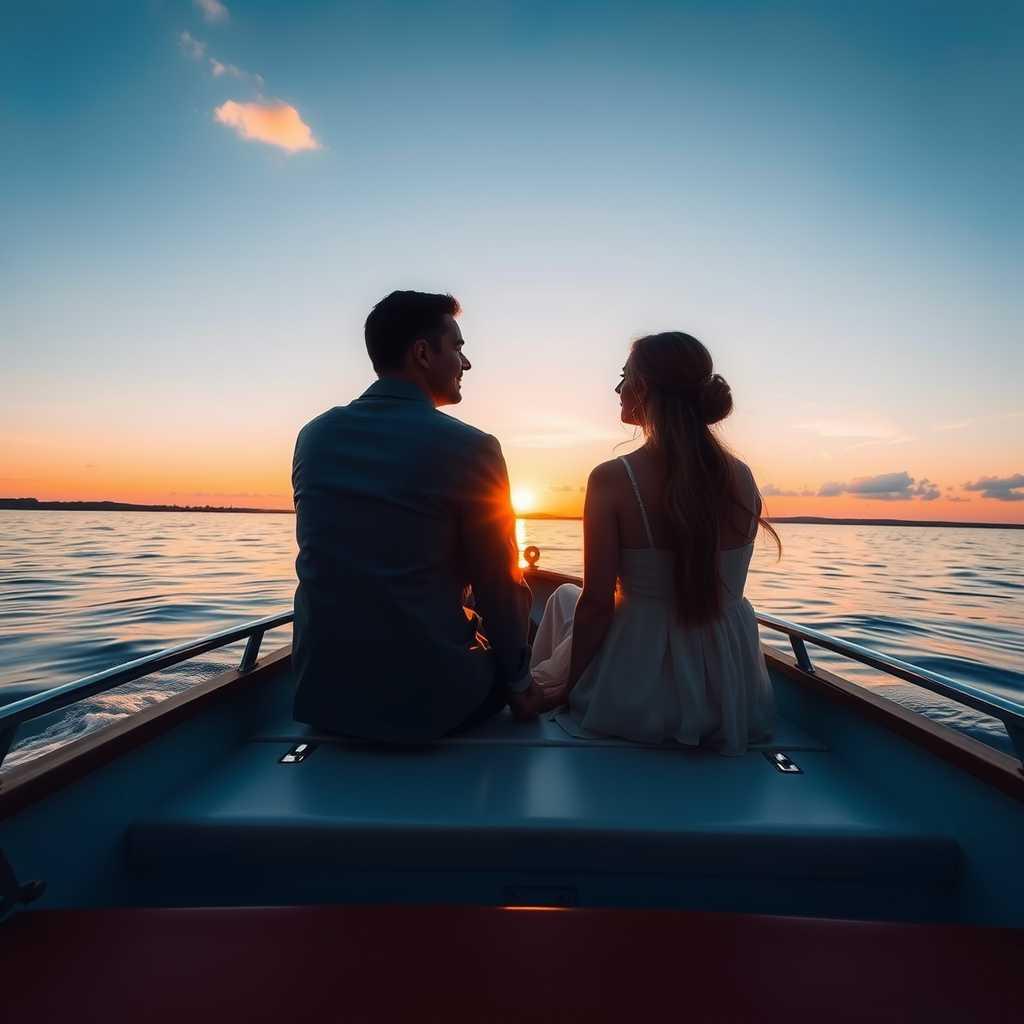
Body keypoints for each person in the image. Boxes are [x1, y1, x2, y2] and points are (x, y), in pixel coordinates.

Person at [292, 290, 547, 743]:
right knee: (520, 643)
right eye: (459, 348)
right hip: (431, 704)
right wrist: (521, 684)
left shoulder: (313, 437)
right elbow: (497, 585)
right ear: (424, 353)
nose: (466, 364)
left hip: (323, 698)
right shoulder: (472, 447)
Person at [530, 331, 779, 755]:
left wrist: (566, 690)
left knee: (565, 600)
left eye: (624, 376)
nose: (618, 388)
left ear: (642, 388)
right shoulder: (742, 476)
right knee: (562, 599)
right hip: (730, 696)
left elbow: (597, 605)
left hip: (637, 694)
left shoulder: (612, 478)